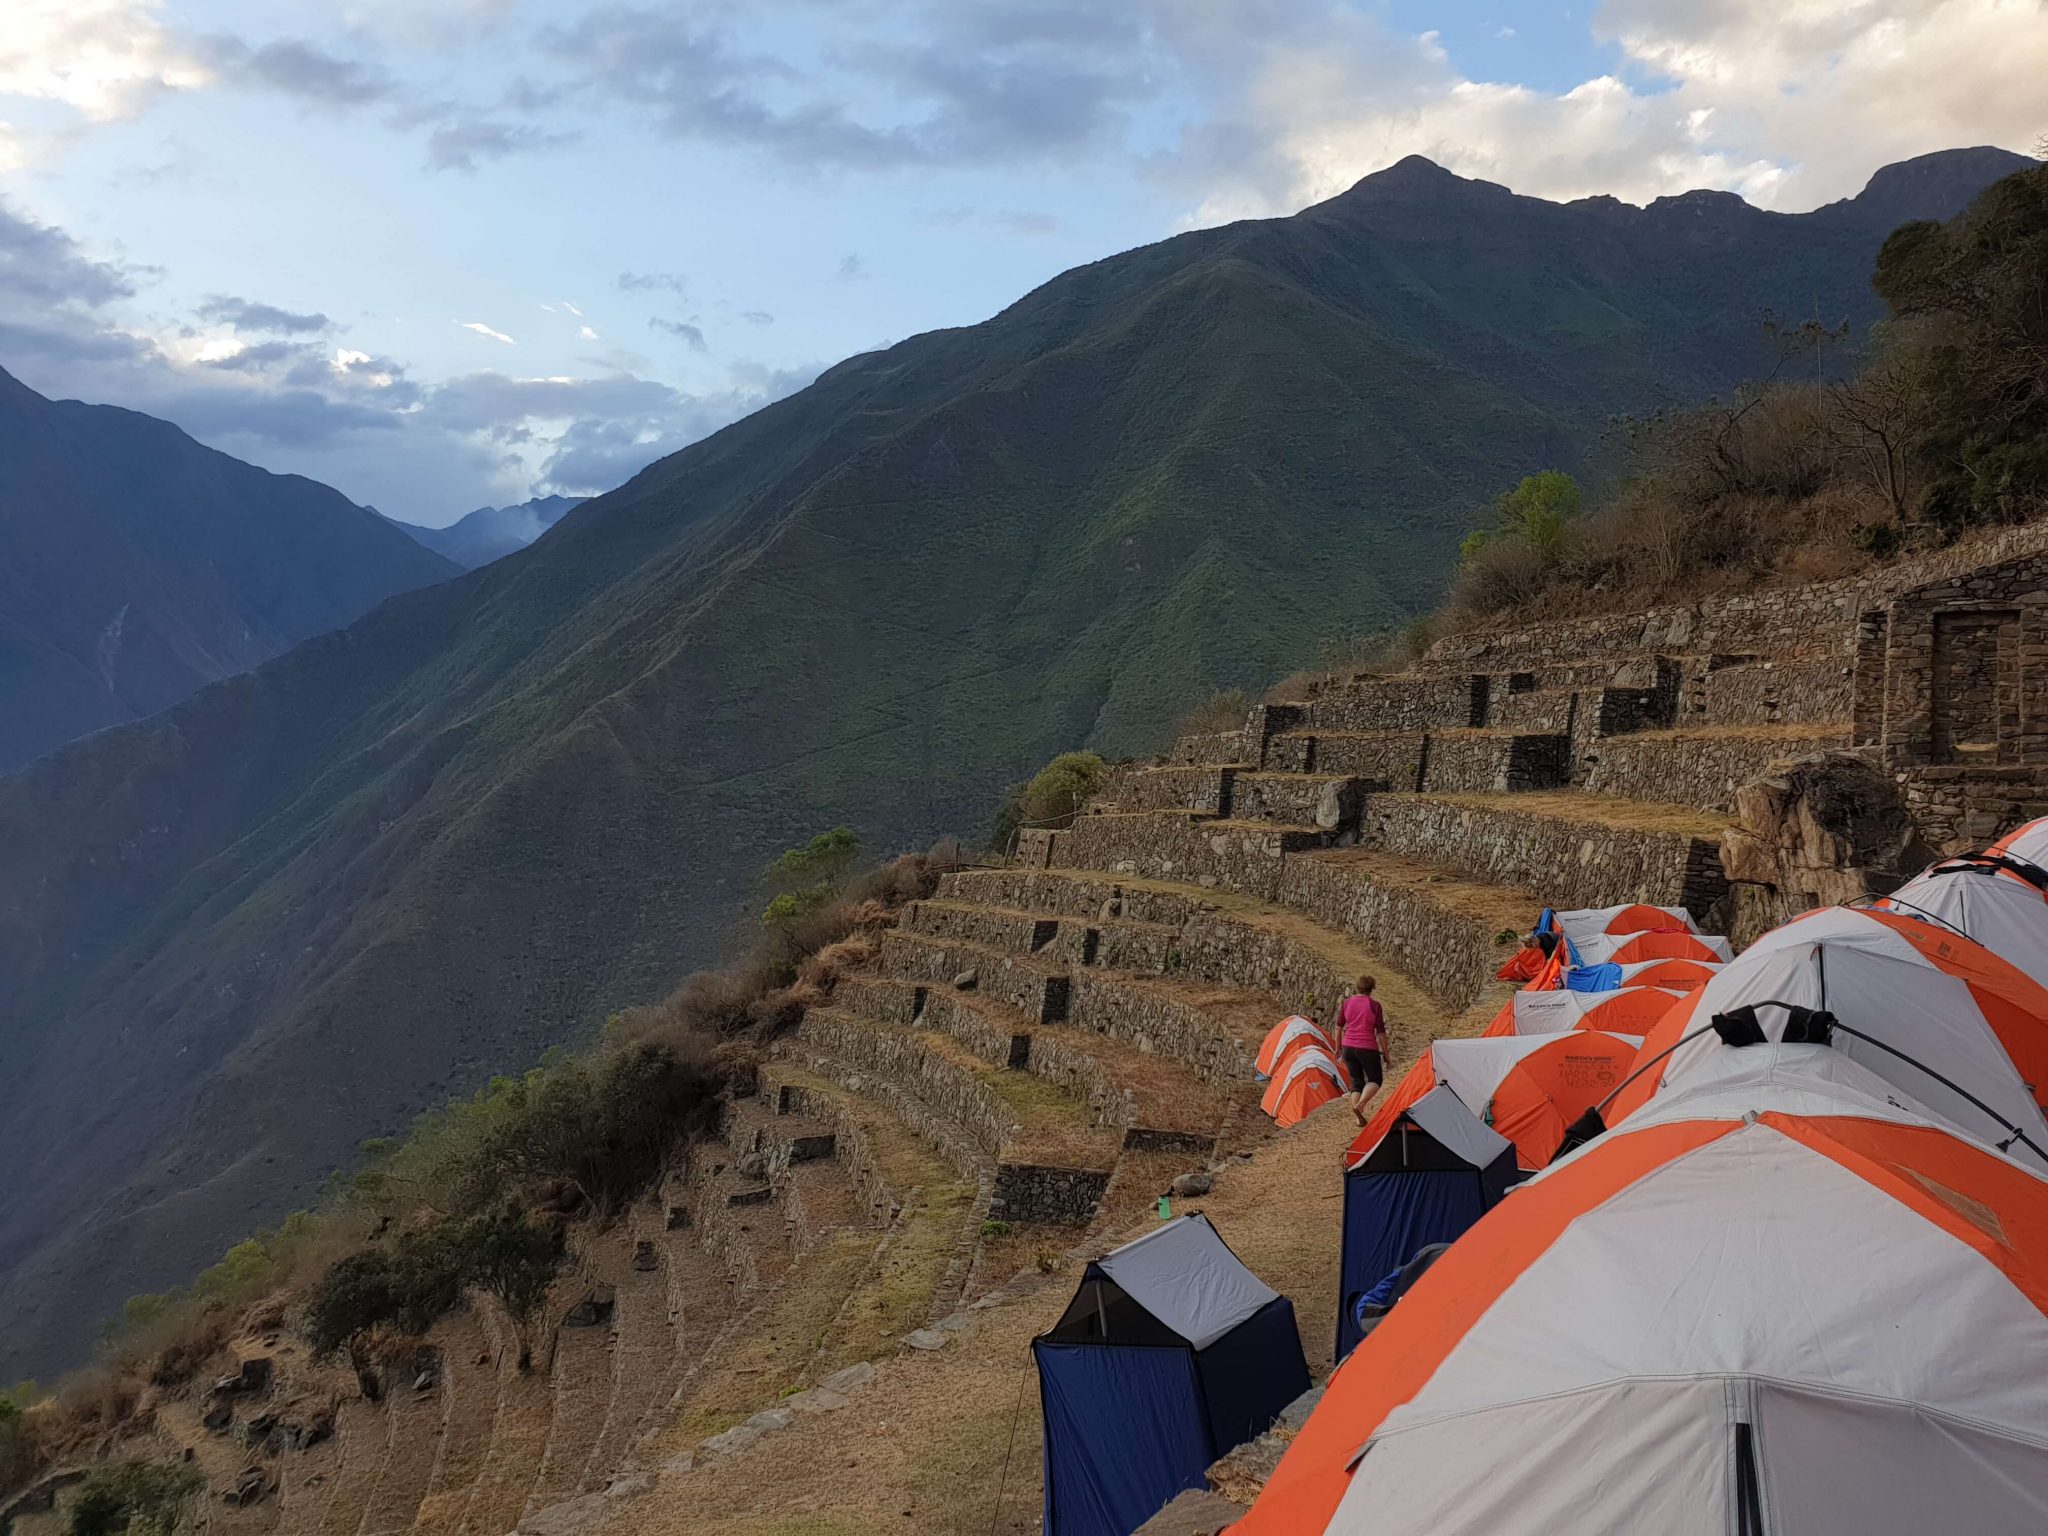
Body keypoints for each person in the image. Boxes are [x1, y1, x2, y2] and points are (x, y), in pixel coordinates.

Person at [1336, 974, 1389, 1123]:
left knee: (1356, 1082)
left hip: (1348, 1046)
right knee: (1375, 1079)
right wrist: (1386, 1054)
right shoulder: (1375, 1006)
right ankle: (1361, 1105)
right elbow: (1380, 1033)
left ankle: (1359, 1119)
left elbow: (1338, 1027)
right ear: (1371, 989)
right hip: (1367, 1047)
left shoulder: (1346, 1003)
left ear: (1357, 987)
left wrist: (1337, 1047)